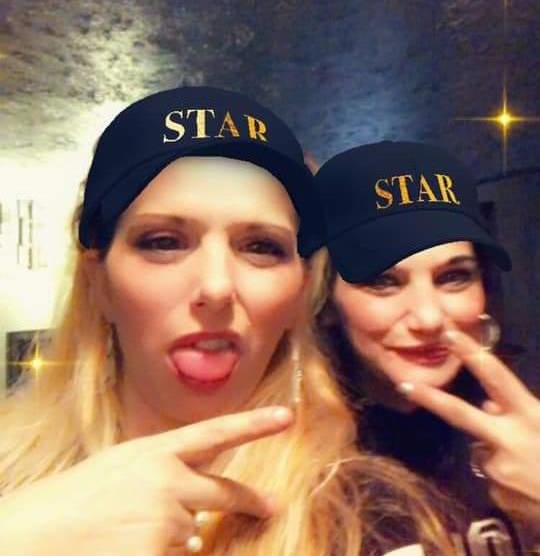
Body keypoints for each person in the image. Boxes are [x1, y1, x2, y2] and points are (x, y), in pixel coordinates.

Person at [0, 91, 454, 556]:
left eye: (261, 247)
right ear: (99, 283)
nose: (217, 287)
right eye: (163, 242)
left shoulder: (372, 519)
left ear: (300, 294)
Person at [314, 140, 540, 555]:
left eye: (454, 277)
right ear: (327, 302)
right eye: (384, 281)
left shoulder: (531, 418)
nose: (429, 318)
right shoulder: (289, 462)